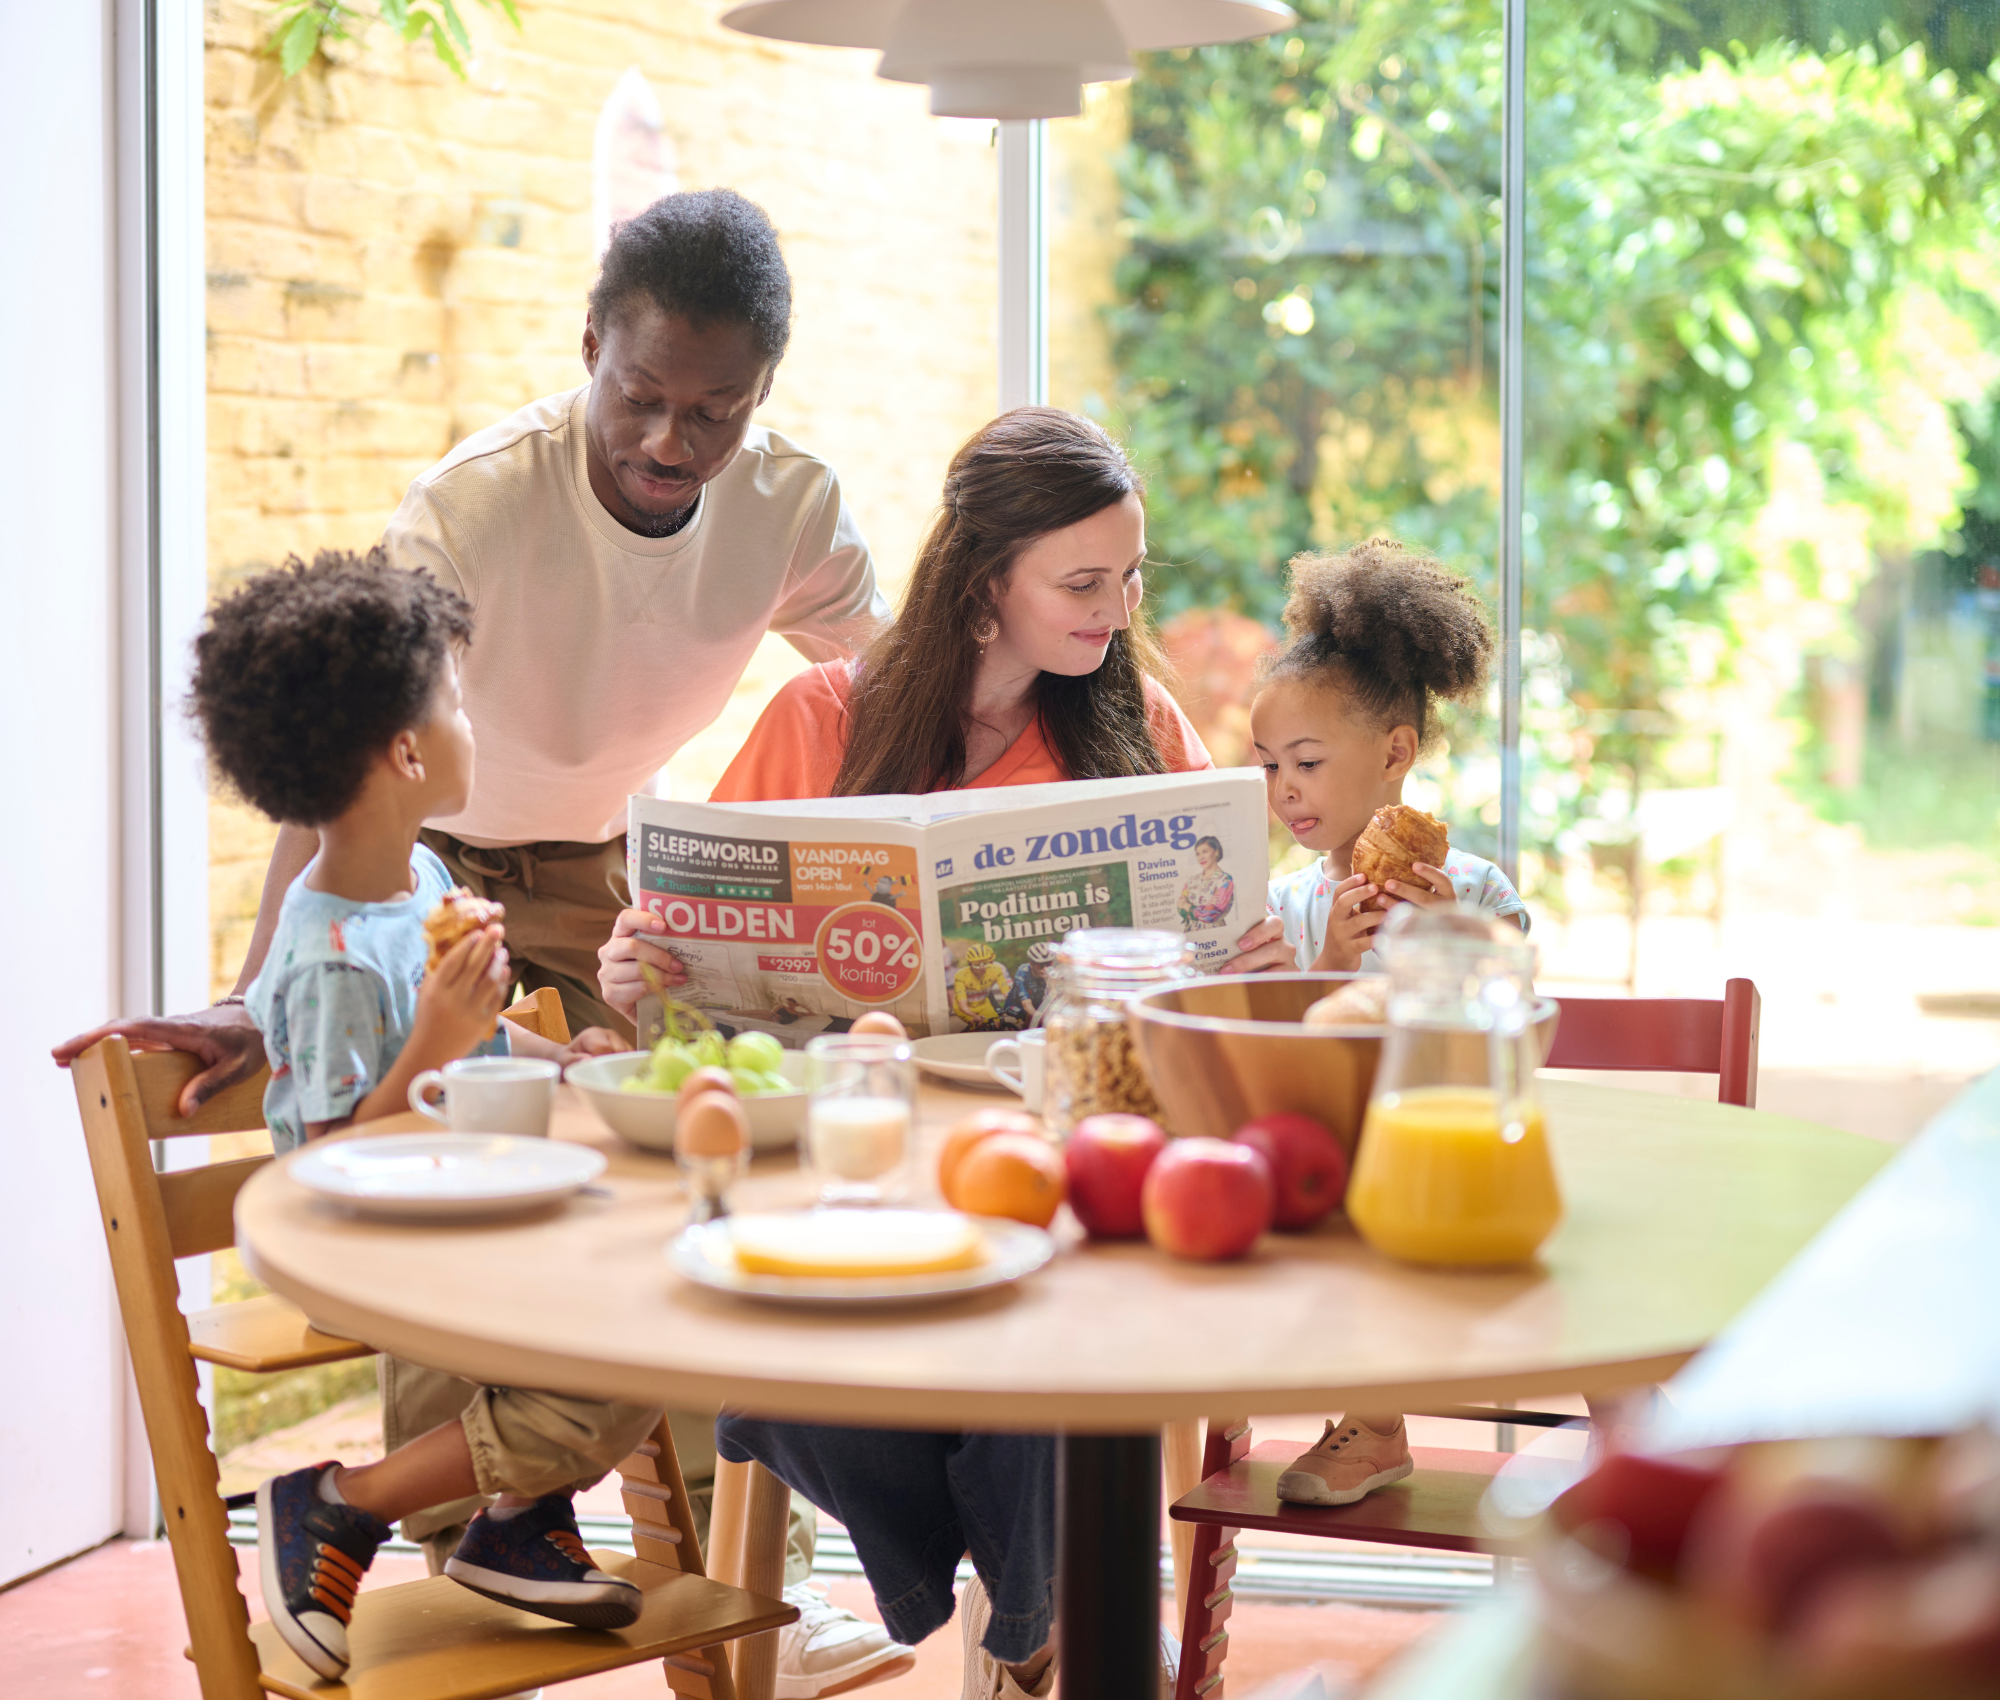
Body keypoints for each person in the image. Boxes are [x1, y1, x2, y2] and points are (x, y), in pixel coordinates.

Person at [55, 189, 900, 1695]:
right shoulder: (477, 505)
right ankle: (488, 1519)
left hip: (602, 863)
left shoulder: (792, 508)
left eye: (714, 412)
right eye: (639, 395)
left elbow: (889, 709)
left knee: (669, 1162)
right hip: (433, 849)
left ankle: (730, 1557)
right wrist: (264, 997)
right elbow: (351, 765)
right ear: (590, 346)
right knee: (454, 1175)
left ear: (761, 396)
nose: (667, 441)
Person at [598, 408, 1206, 1700]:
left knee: (1051, 1294)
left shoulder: (1138, 728)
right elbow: (696, 975)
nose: (1118, 607)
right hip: (847, 1158)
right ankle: (1037, 1614)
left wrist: (1237, 958)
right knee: (792, 1351)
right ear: (986, 581)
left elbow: (1204, 967)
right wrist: (634, 969)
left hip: (1044, 1154)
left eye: (1130, 577)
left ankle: (1023, 1611)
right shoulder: (825, 716)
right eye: (1083, 582)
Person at [187, 549, 654, 1682]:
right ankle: (341, 1500)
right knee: (624, 1362)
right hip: (374, 1239)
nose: (466, 718)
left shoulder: (424, 879)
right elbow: (336, 1163)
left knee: (652, 1290)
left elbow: (485, 1041)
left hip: (469, 1205)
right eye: (452, 698)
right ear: (405, 751)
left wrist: (567, 1052)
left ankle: (515, 1521)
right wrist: (435, 1047)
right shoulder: (333, 952)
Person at [1237, 535, 1529, 1509]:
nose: (1284, 789)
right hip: (1327, 1140)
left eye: (1307, 761)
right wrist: (1332, 962)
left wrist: (1448, 938)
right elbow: (1284, 1035)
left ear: (1394, 752)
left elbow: (1514, 1031)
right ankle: (1364, 1418)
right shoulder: (1285, 901)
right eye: (1269, 764)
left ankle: (1372, 1423)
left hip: (1443, 1146)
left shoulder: (1475, 890)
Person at [1175, 834, 1236, 932]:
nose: (1201, 857)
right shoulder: (1191, 881)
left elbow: (1211, 915)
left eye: (1205, 851)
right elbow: (1180, 909)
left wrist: (1187, 906)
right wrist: (1202, 909)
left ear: (1216, 852)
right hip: (1190, 933)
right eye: (1198, 854)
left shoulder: (1224, 880)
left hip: (1215, 933)